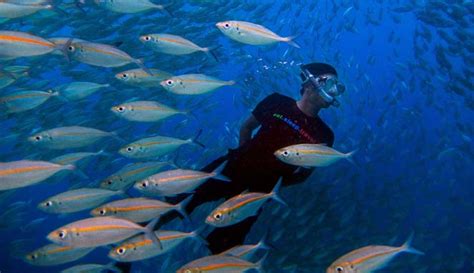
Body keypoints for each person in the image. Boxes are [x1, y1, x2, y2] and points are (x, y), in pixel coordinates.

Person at [114, 62, 344, 272]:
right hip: (230, 168)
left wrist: (270, 185)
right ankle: (123, 257)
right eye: (330, 83)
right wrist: (245, 157)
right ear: (309, 84)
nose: (334, 90)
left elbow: (304, 174)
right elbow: (246, 128)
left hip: (259, 191)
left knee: (226, 247)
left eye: (337, 85)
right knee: (175, 204)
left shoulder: (324, 135)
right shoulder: (276, 102)